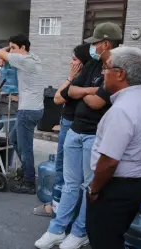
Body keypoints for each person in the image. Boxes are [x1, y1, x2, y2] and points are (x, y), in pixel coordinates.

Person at [35, 22, 122, 249]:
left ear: (106, 43)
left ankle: (79, 231)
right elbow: (69, 91)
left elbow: (97, 102)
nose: (92, 47)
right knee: (70, 185)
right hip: (75, 131)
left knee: (87, 186)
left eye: (95, 43)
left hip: (95, 135)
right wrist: (90, 90)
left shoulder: (117, 67)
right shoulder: (94, 64)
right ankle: (56, 229)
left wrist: (84, 92)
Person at [87, 46, 141, 249]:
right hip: (136, 184)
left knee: (104, 239)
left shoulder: (122, 110)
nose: (103, 72)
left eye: (106, 68)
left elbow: (109, 161)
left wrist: (94, 189)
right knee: (115, 235)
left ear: (120, 74)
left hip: (115, 188)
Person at [33, 43, 91, 217]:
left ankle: (57, 209)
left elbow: (57, 98)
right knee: (67, 170)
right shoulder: (83, 79)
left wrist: (70, 77)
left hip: (73, 127)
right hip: (68, 124)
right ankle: (60, 206)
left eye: (74, 59)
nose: (71, 62)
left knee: (65, 171)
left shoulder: (80, 81)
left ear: (83, 63)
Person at [0, 34, 44, 194]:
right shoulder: (33, 57)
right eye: (11, 48)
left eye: (14, 48)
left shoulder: (24, 60)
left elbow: (0, 54)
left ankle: (29, 182)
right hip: (33, 108)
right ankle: (26, 170)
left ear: (23, 48)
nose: (12, 51)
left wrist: (8, 51)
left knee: (26, 148)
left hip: (27, 111)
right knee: (14, 139)